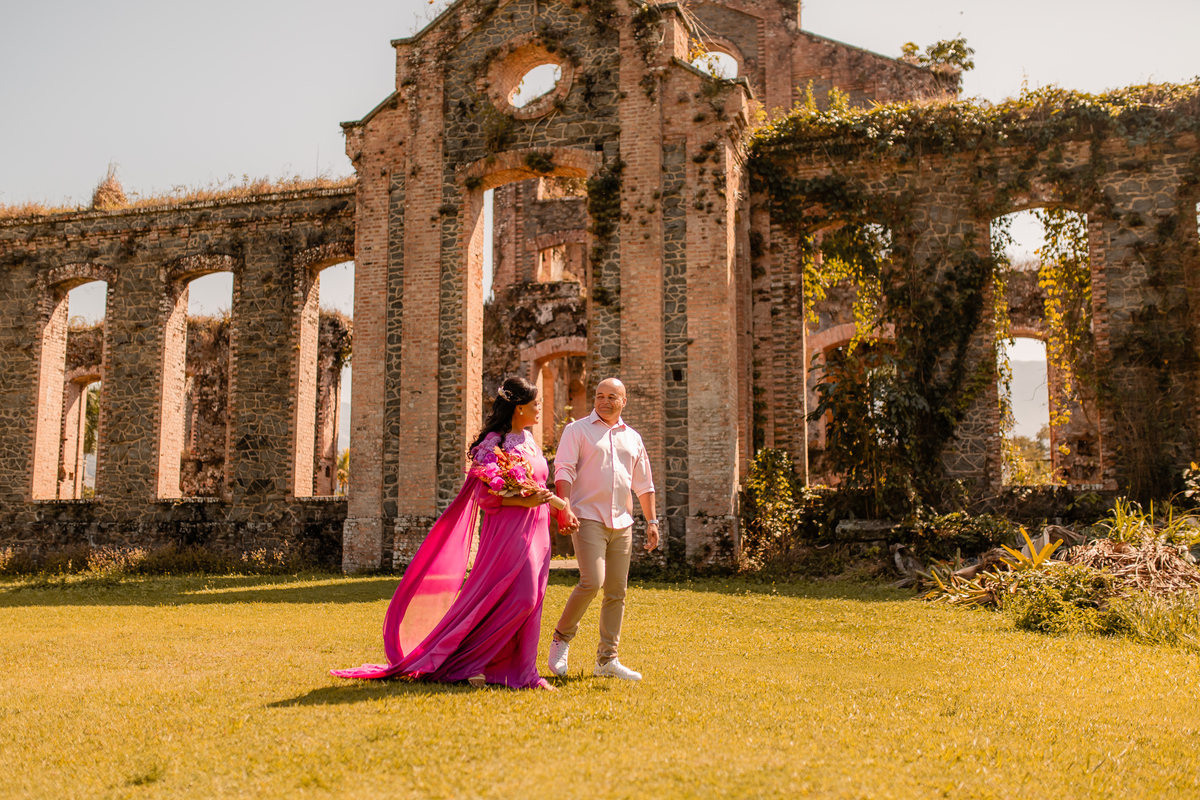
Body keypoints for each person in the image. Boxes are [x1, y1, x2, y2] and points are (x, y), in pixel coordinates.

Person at [331, 376, 557, 690]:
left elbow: (540, 484)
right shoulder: (494, 443)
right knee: (522, 598)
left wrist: (561, 509)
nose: (539, 408)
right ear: (519, 408)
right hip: (510, 531)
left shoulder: (529, 439)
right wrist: (522, 500)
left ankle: (526, 673)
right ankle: (467, 661)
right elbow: (485, 496)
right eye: (535, 404)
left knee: (534, 601)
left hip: (539, 528)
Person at [548, 377, 657, 681]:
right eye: (599, 396)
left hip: (622, 522)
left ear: (624, 401)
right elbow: (564, 469)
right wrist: (565, 506)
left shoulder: (633, 438)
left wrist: (652, 522)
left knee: (616, 592)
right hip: (587, 517)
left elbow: (644, 484)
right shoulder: (577, 430)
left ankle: (607, 660)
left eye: (611, 397)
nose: (604, 401)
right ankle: (561, 639)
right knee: (592, 581)